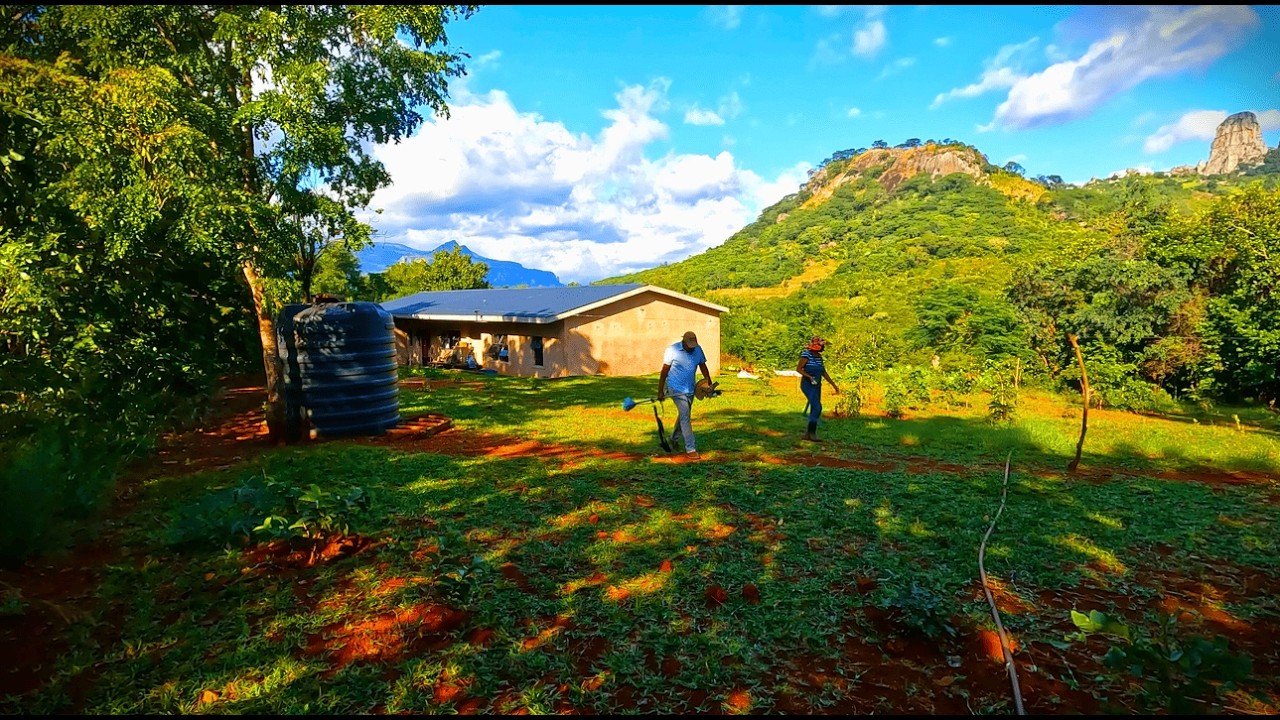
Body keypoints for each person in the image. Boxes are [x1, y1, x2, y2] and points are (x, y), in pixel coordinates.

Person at [658, 330, 714, 458]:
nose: (691, 348)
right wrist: (660, 390)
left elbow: (703, 366)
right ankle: (691, 449)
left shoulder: (698, 349)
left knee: (684, 415)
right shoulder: (672, 350)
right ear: (683, 341)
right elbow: (664, 371)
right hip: (675, 388)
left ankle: (674, 438)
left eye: (693, 345)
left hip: (690, 388)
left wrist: (708, 383)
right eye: (689, 345)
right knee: (686, 417)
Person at [797, 335, 840, 442]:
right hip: (807, 385)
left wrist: (833, 385)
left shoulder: (819, 357)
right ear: (816, 346)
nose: (823, 348)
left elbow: (823, 372)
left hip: (817, 385)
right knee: (817, 408)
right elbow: (799, 369)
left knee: (814, 408)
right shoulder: (806, 355)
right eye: (822, 345)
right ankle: (812, 433)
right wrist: (809, 376)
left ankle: (808, 434)